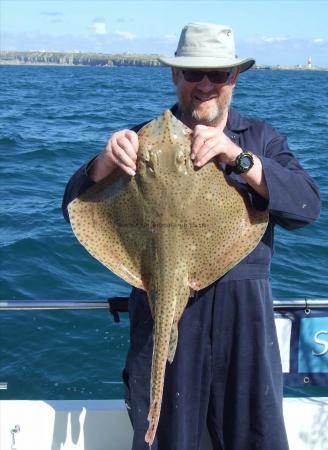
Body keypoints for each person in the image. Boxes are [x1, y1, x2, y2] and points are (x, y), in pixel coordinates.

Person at [62, 22, 320, 450]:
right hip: (158, 297)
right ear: (174, 76)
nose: (205, 85)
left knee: (255, 439)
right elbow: (74, 207)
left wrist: (238, 159)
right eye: (192, 73)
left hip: (244, 317)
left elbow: (306, 208)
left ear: (234, 78)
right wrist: (101, 164)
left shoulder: (257, 138)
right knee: (165, 438)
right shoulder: (141, 139)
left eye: (217, 74)